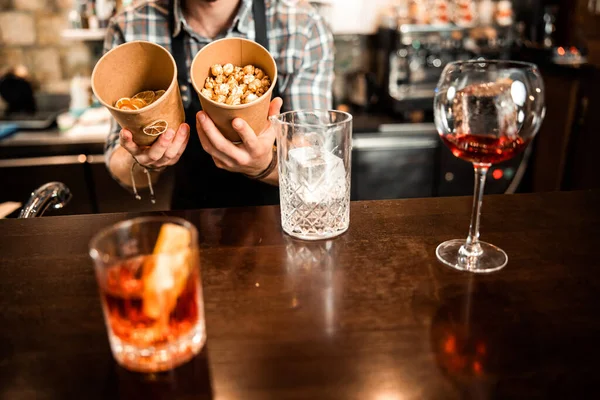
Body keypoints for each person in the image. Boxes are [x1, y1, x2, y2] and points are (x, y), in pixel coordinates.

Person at [103, 0, 334, 209]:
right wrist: (146, 159)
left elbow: (317, 170)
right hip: (194, 219)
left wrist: (266, 165)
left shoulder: (302, 27)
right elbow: (122, 169)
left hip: (277, 222)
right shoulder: (131, 27)